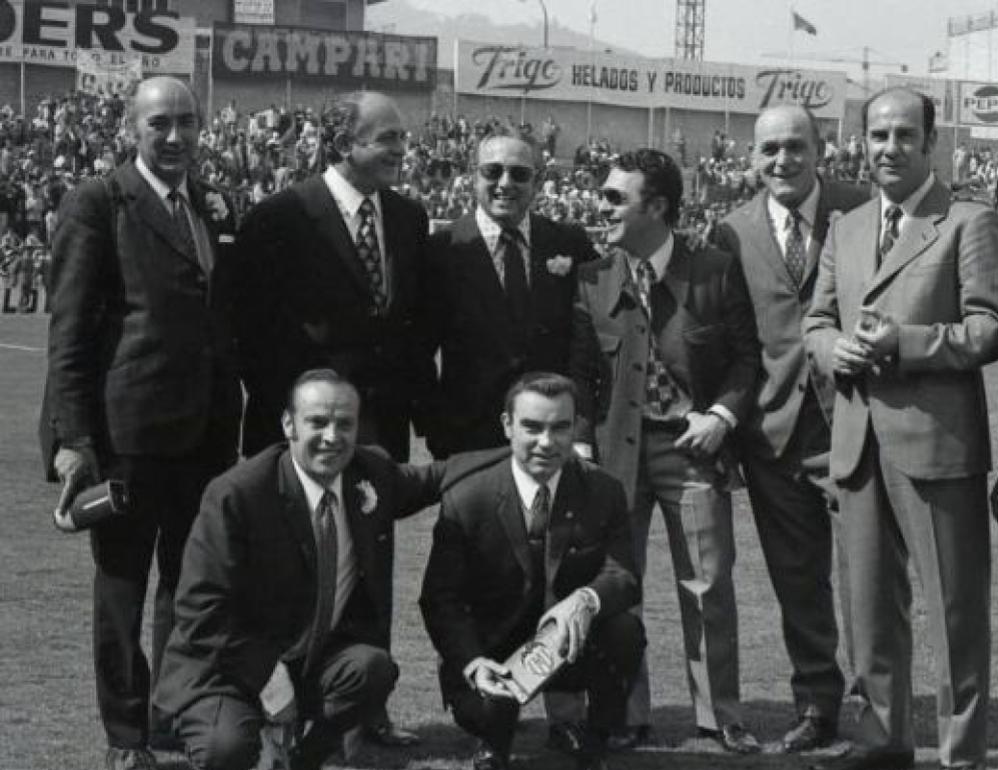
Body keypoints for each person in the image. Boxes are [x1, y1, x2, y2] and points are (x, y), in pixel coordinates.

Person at [802, 87, 998, 770]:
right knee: (868, 608)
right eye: (877, 136)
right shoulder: (848, 225)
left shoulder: (968, 221)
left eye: (903, 136)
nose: (889, 148)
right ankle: (883, 740)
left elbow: (989, 329)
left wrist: (904, 341)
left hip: (935, 443)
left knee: (954, 612)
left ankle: (961, 750)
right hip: (858, 442)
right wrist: (832, 350)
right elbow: (816, 321)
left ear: (932, 143)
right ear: (861, 142)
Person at [40, 76, 243, 770]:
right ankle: (125, 737)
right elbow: (68, 333)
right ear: (132, 128)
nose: (177, 136)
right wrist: (74, 441)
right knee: (123, 592)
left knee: (188, 586)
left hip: (206, 435)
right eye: (161, 124)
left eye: (188, 122)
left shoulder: (211, 204)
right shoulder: (98, 202)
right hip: (126, 440)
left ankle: (167, 717)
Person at [154, 370, 475, 770]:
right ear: (289, 423)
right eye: (317, 422)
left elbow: (438, 476)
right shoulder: (237, 494)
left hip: (310, 662)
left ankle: (299, 760)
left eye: (345, 423)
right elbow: (199, 612)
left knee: (372, 669)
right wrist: (269, 681)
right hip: (228, 668)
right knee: (227, 749)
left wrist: (523, 451)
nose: (332, 436)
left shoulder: (370, 471)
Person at [569, 148, 762, 753]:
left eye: (613, 197)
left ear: (656, 206)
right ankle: (626, 713)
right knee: (618, 586)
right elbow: (577, 373)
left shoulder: (716, 270)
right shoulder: (592, 277)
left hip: (691, 448)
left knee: (707, 584)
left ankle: (720, 715)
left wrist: (723, 415)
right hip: (612, 458)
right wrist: (579, 443)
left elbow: (747, 359)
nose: (599, 207)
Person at [709, 104, 869, 752]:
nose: (783, 160)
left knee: (870, 578)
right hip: (775, 434)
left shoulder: (861, 209)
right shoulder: (731, 231)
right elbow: (728, 339)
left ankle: (878, 703)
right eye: (769, 149)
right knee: (799, 582)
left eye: (795, 146)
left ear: (820, 149)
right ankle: (817, 706)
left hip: (857, 423)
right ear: (752, 157)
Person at [419, 372, 644, 770]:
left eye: (560, 427)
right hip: (492, 651)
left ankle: (595, 739)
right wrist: (472, 661)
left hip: (565, 646)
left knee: (624, 631)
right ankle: (492, 738)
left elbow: (623, 576)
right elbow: (440, 599)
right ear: (507, 426)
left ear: (576, 427)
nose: (546, 441)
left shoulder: (603, 489)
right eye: (532, 427)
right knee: (487, 717)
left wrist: (586, 599)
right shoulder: (468, 496)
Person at [234, 91, 437, 469]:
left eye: (402, 138)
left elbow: (415, 324)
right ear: (344, 144)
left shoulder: (409, 218)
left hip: (382, 435)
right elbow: (251, 337)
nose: (401, 150)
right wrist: (297, 412)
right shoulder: (277, 219)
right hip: (299, 435)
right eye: (388, 138)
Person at [425, 132, 598, 458]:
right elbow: (419, 352)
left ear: (538, 180)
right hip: (469, 439)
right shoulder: (441, 249)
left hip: (551, 434)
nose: (505, 183)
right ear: (473, 175)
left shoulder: (568, 242)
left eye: (519, 174)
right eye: (492, 171)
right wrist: (436, 427)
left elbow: (600, 318)